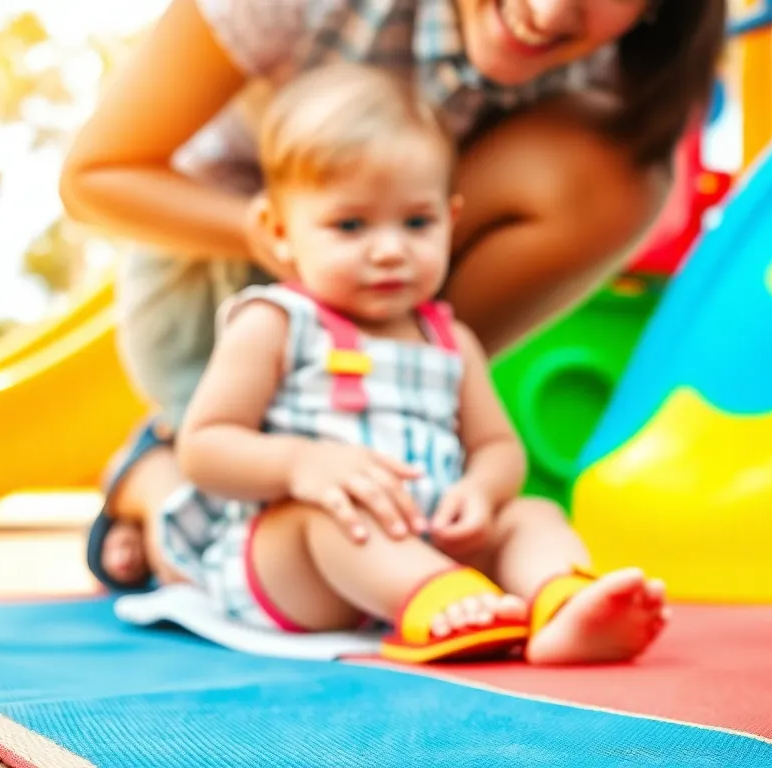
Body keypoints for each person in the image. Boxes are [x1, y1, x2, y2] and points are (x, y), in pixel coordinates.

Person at [58, 0, 726, 591]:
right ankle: (152, 474)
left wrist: (482, 489)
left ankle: (554, 590)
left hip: (386, 344)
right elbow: (94, 175)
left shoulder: (604, 78)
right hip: (220, 283)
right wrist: (284, 238)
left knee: (622, 165)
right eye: (363, 229)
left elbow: (497, 451)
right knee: (246, 538)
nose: (550, 13)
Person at [151, 62, 666, 664]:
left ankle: (562, 602)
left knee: (532, 511)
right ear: (279, 231)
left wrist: (479, 489)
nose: (391, 249)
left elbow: (497, 446)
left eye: (418, 222)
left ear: (450, 219)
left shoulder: (449, 339)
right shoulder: (276, 321)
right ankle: (435, 597)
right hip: (301, 562)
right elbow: (205, 445)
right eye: (350, 225)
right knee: (328, 518)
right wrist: (301, 464)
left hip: (432, 542)